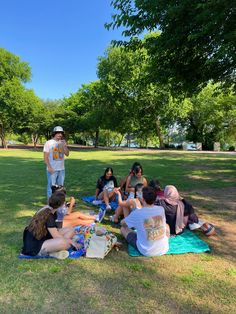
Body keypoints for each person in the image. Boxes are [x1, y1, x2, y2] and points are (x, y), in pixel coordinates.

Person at [21, 192, 78, 258]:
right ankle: (52, 252)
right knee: (66, 243)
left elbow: (54, 230)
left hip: (43, 237)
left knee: (70, 229)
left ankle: (54, 250)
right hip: (34, 246)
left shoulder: (49, 209)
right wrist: (71, 241)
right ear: (61, 204)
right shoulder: (49, 215)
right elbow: (56, 236)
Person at [120, 186, 169, 257]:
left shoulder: (138, 213)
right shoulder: (161, 209)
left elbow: (123, 223)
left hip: (146, 251)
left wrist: (128, 220)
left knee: (123, 229)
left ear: (142, 199)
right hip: (164, 248)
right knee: (166, 225)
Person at [43, 126, 69, 199]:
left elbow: (67, 154)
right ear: (54, 133)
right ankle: (50, 205)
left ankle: (59, 204)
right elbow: (45, 157)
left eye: (61, 133)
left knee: (60, 188)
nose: (60, 135)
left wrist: (65, 146)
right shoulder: (48, 143)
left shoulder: (62, 142)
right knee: (51, 188)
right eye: (58, 133)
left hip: (61, 169)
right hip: (52, 169)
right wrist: (49, 167)